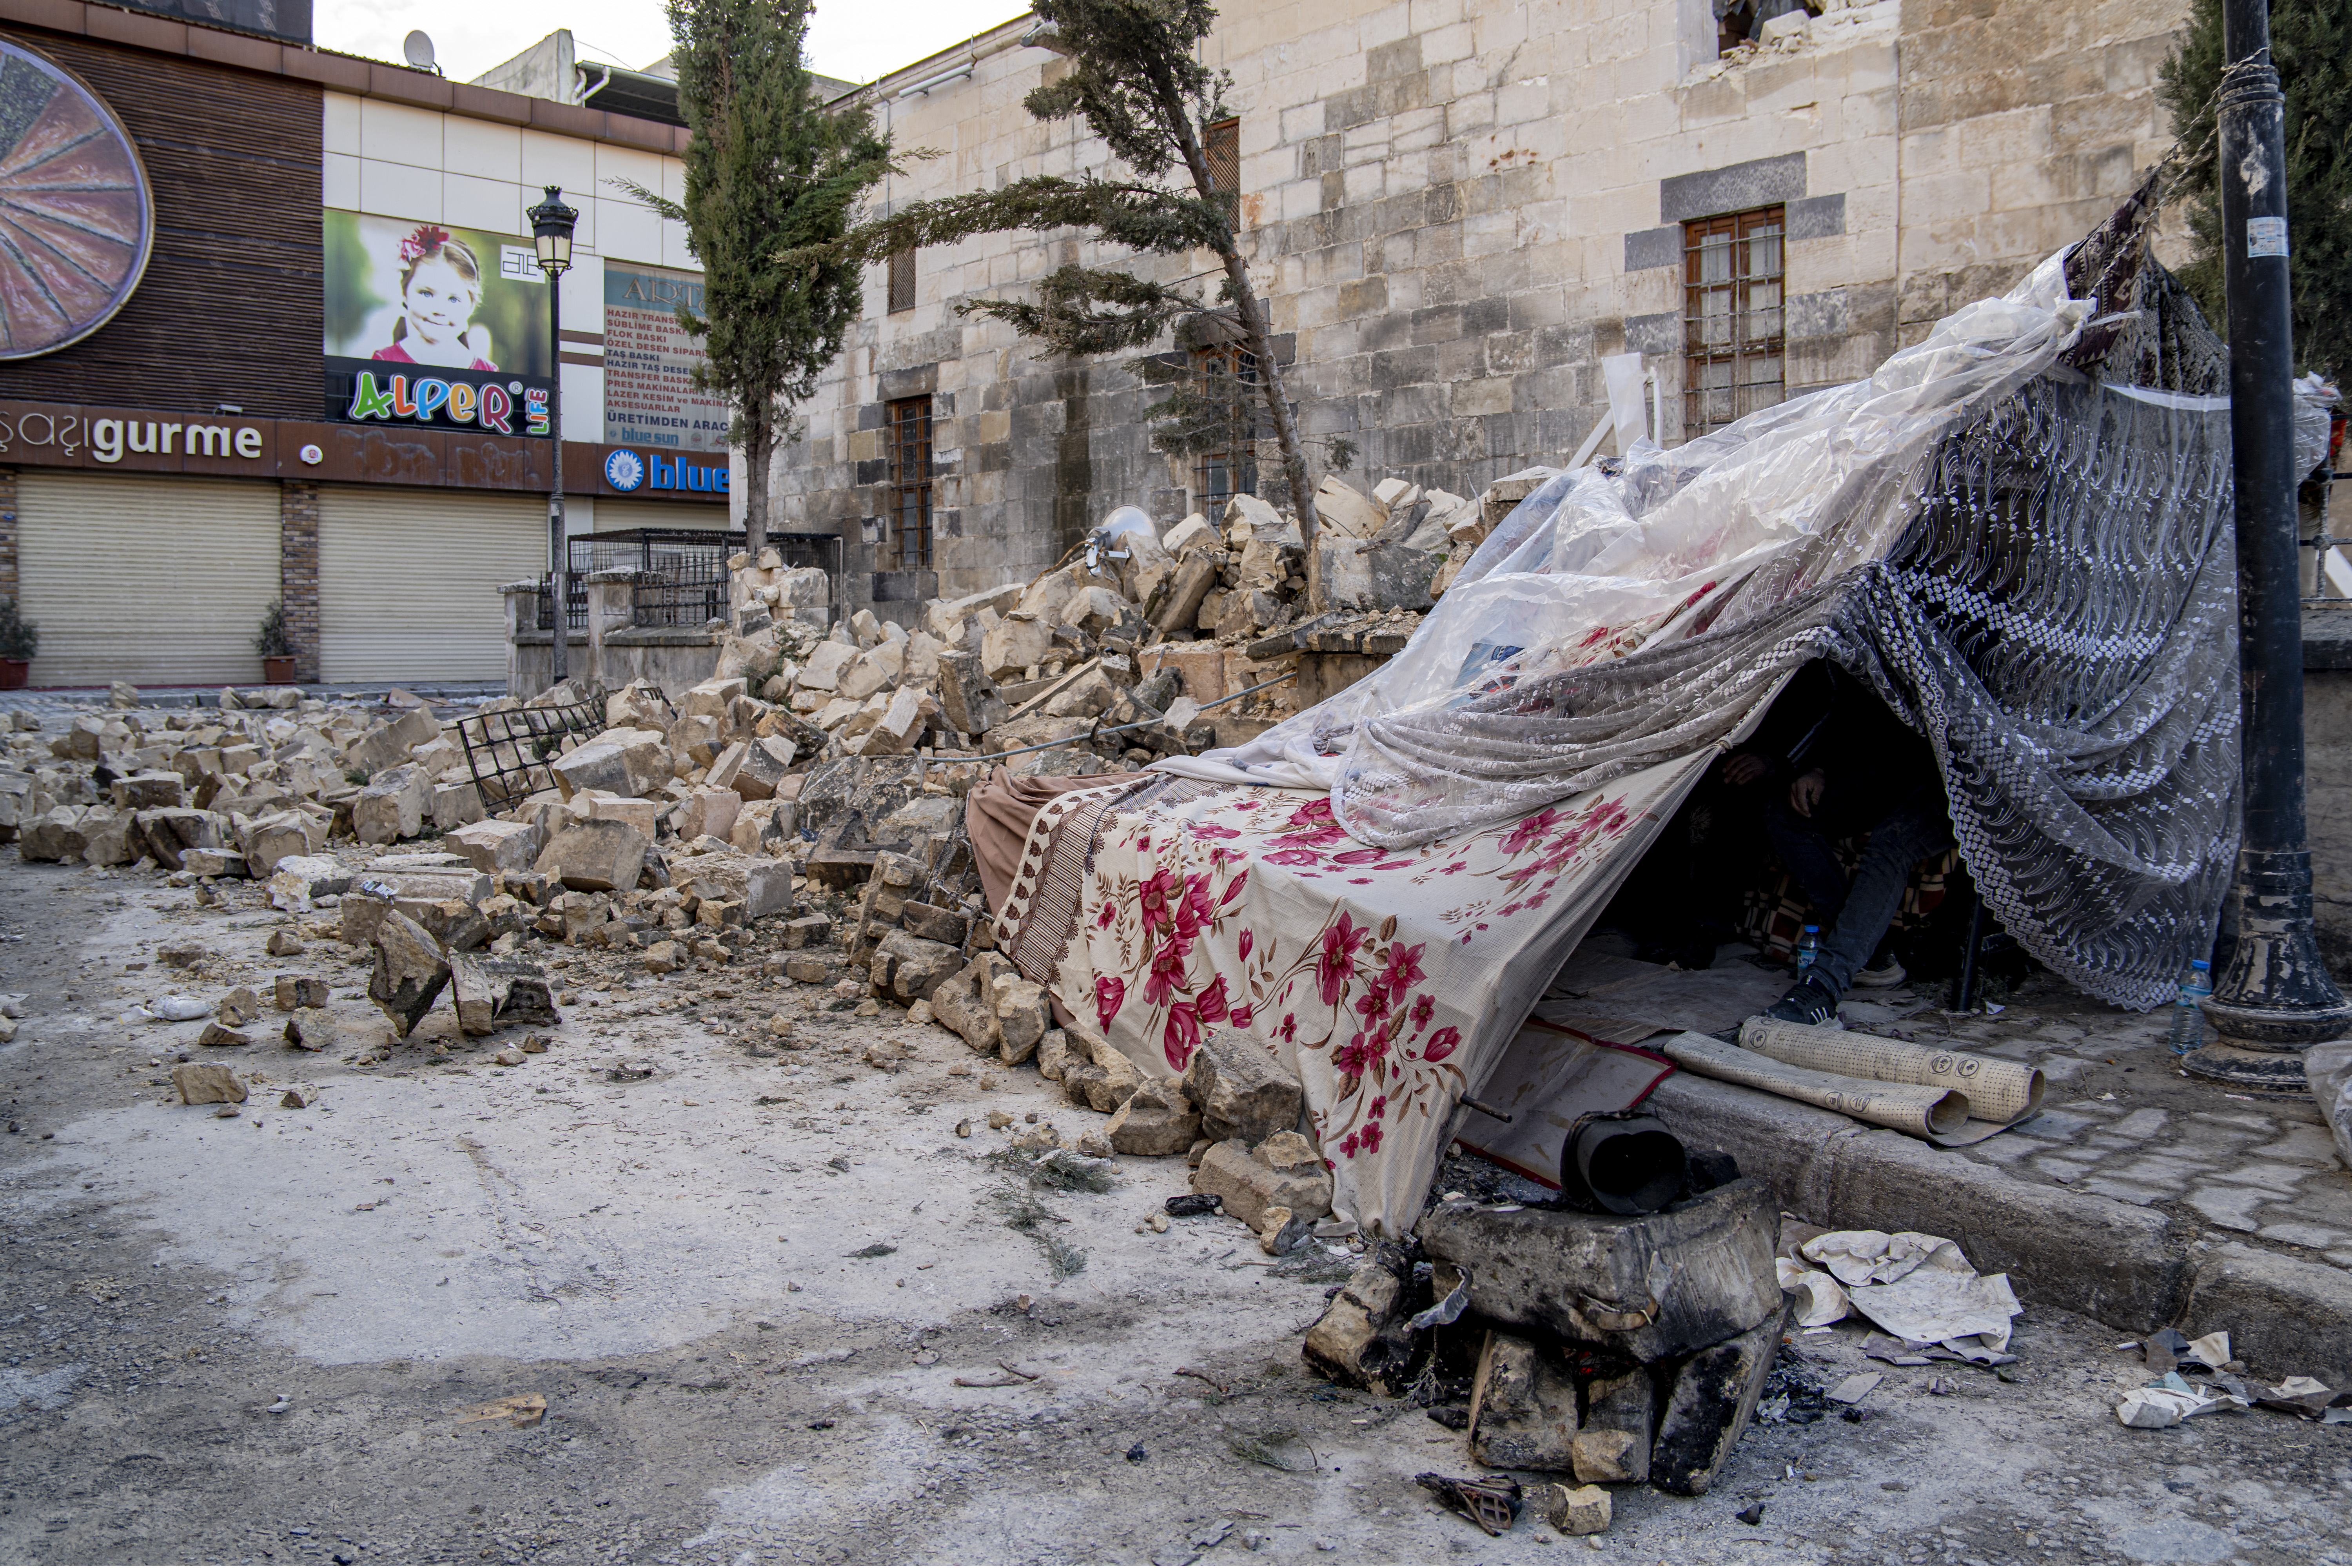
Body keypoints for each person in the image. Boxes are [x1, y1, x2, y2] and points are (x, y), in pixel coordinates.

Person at [1731, 660, 1954, 1026]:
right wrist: (1820, 768)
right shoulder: (1874, 646)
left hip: (1963, 776)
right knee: (1785, 812)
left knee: (1893, 841)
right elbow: (1856, 717)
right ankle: (1874, 955)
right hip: (1896, 763)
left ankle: (1824, 985)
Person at [369, 226, 499, 370]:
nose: (439, 310)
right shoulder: (384, 361)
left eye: (454, 299)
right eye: (426, 294)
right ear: (405, 294)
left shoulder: (487, 370)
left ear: (471, 306)